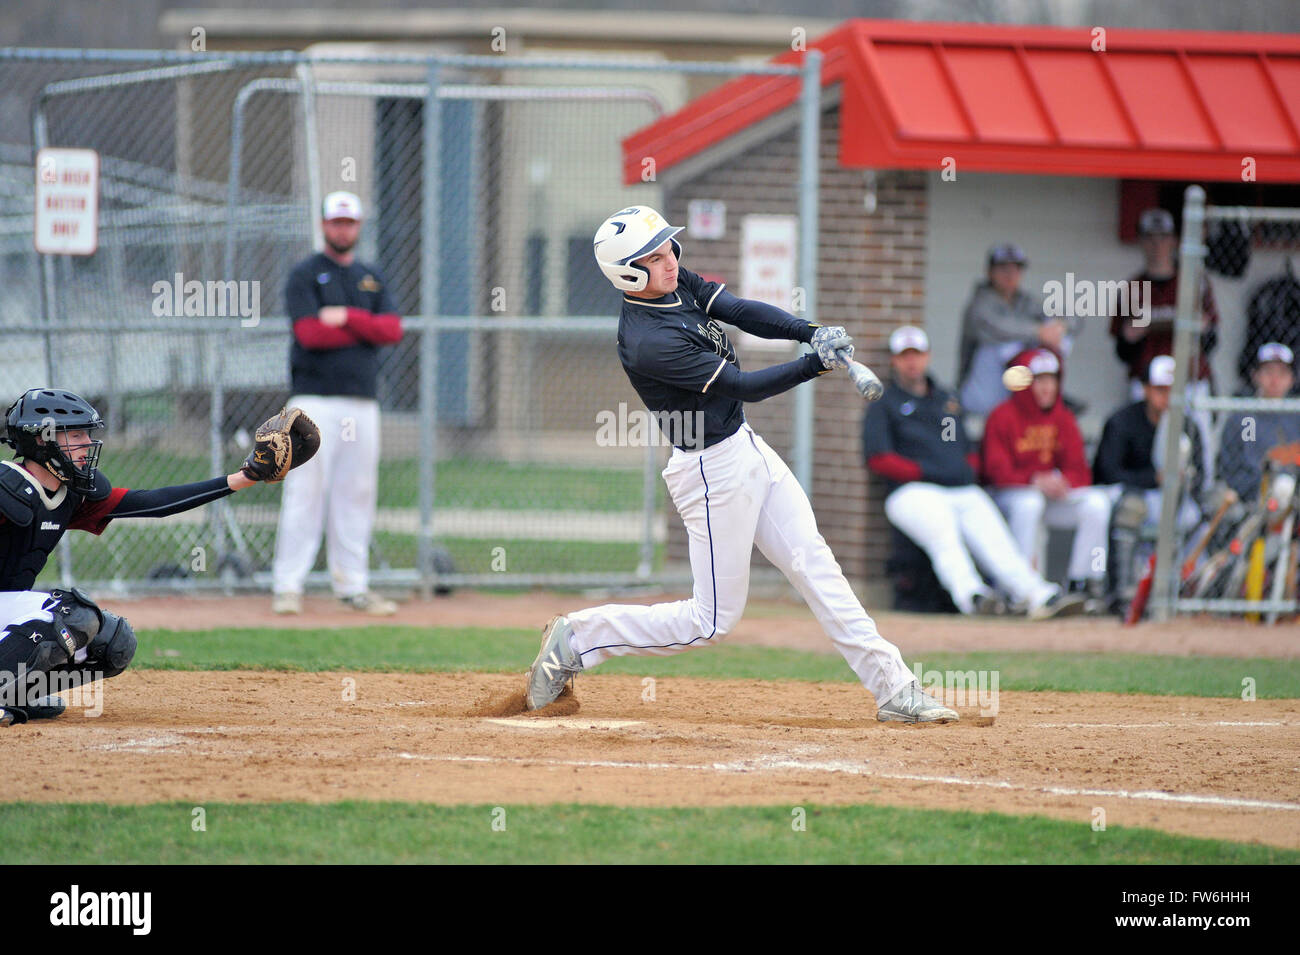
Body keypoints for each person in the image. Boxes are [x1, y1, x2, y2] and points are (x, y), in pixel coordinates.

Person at [522, 205, 957, 724]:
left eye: (668, 249)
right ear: (629, 273)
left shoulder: (675, 282)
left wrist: (808, 330)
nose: (670, 261)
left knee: (814, 563)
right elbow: (742, 384)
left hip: (745, 447)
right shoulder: (649, 342)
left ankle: (895, 689)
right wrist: (813, 363)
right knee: (710, 622)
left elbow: (740, 310)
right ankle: (578, 639)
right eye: (655, 256)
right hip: (709, 472)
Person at [0, 389, 314, 726]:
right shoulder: (8, 487)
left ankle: (14, 693)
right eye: (76, 435)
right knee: (72, 617)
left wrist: (246, 476)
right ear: (41, 440)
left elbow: (153, 503)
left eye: (87, 434)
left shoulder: (69, 494)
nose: (87, 444)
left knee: (113, 643)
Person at [863, 326, 1086, 620]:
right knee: (944, 535)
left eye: (916, 354)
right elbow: (879, 458)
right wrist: (924, 470)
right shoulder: (884, 402)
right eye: (904, 356)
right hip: (912, 490)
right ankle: (974, 597)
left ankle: (1037, 594)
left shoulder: (946, 401)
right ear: (894, 361)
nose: (911, 362)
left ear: (927, 356)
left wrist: (965, 469)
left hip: (958, 487)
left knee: (994, 537)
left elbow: (965, 447)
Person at [272, 190, 403, 616]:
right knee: (304, 492)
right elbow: (310, 334)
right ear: (324, 225)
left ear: (359, 225)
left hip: (361, 403)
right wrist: (364, 329)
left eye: (349, 222)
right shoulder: (305, 274)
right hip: (313, 401)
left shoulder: (371, 276)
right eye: (335, 222)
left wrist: (346, 317)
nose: (342, 229)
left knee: (357, 493)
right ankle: (288, 585)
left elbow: (392, 330)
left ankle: (353, 585)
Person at [980, 348, 1112, 608]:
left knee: (1096, 503)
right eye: (1039, 380)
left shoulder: (1063, 417)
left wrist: (1062, 481)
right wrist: (1033, 479)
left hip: (1050, 497)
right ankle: (1021, 588)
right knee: (1030, 503)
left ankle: (1083, 582)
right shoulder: (1002, 416)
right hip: (1010, 497)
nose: (1046, 387)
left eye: (1051, 379)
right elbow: (995, 471)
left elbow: (1080, 471)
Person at [1110, 207, 1219, 475]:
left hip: (1190, 379)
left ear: (1174, 241)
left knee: (1197, 446)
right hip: (1149, 384)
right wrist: (1134, 332)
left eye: (1163, 237)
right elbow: (1122, 350)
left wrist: (1197, 326)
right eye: (1150, 237)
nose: (1157, 244)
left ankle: (1198, 506)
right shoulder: (1133, 288)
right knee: (1148, 450)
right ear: (1141, 242)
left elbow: (1213, 339)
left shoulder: (1194, 283)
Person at [1093, 355, 1206, 600]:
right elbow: (1107, 473)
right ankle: (1122, 590)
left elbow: (1201, 475)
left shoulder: (1187, 425)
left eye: (1173, 390)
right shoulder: (1122, 421)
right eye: (1160, 390)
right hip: (1129, 494)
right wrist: (1152, 478)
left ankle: (1187, 586)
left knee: (1195, 515)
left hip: (1170, 499)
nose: (1166, 397)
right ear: (1145, 389)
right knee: (1132, 508)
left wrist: (1184, 480)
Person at [958, 243, 1076, 416]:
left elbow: (1072, 319)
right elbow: (1000, 328)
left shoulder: (1025, 300)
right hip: (980, 392)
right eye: (1003, 269)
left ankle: (1050, 395)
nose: (1010, 275)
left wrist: (1059, 327)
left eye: (1016, 269)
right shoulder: (980, 302)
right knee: (1005, 346)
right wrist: (1039, 331)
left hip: (1012, 387)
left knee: (1062, 341)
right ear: (990, 272)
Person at [1217, 343, 1300, 502]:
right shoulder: (1246, 417)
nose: (1274, 380)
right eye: (1268, 372)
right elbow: (1235, 466)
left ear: (1292, 379)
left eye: (1282, 374)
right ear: (1255, 375)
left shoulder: (1296, 415)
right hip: (1254, 497)